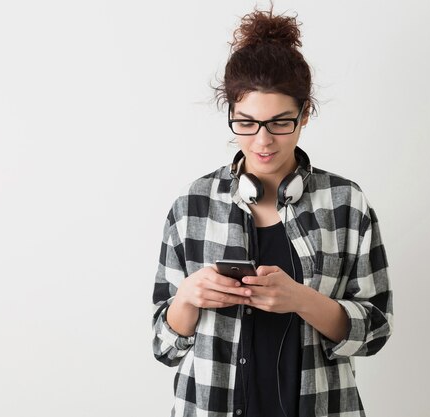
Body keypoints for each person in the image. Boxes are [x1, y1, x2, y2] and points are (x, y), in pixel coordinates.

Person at [152, 7, 393, 417]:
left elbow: (374, 331)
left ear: (305, 115)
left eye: (280, 122)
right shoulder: (193, 204)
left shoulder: (346, 203)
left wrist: (302, 300)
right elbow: (164, 343)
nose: (262, 141)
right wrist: (189, 297)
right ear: (230, 115)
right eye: (246, 123)